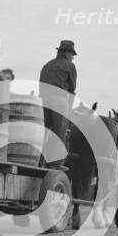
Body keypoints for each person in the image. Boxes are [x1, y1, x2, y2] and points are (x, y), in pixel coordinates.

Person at [39, 40, 78, 169]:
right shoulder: (69, 66)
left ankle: (39, 161)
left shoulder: (47, 65)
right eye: (72, 54)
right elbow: (72, 89)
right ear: (67, 54)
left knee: (43, 133)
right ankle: (55, 164)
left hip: (43, 100)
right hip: (58, 100)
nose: (73, 57)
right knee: (59, 132)